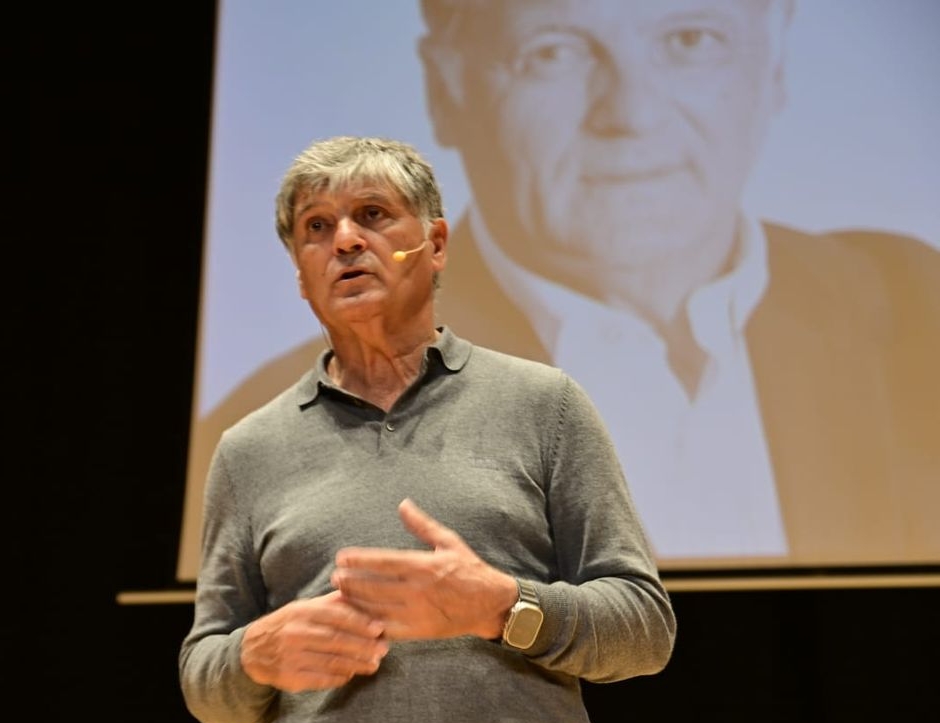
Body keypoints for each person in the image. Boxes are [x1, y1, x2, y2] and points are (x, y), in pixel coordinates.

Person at [180, 0, 940, 575]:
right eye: (555, 53)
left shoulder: (916, 308)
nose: (632, 114)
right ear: (448, 87)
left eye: (690, 41)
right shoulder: (266, 432)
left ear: (772, 68)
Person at [179, 135, 676, 723]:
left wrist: (505, 606)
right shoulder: (248, 448)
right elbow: (206, 677)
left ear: (436, 243)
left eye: (374, 214)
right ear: (301, 273)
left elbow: (643, 627)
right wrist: (255, 657)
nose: (347, 241)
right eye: (317, 228)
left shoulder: (543, 404)